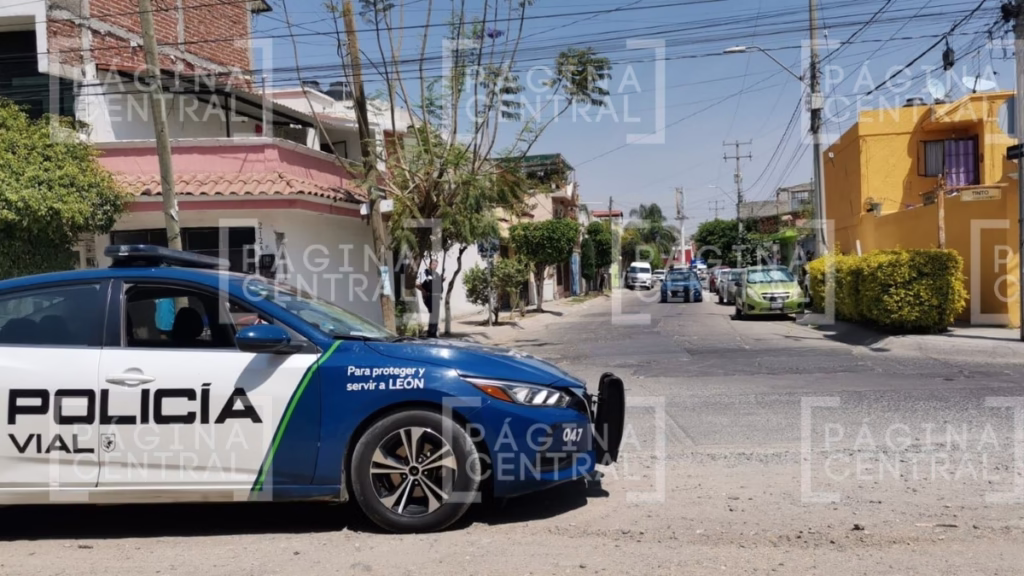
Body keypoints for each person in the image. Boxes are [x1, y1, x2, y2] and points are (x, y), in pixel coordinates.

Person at [418, 258, 441, 338]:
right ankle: (431, 332)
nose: (435, 266)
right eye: (434, 265)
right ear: (430, 264)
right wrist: (423, 291)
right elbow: (419, 283)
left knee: (435, 314)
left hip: (436, 296)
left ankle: (432, 332)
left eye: (436, 265)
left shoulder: (436, 274)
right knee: (433, 312)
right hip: (428, 296)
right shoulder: (425, 272)